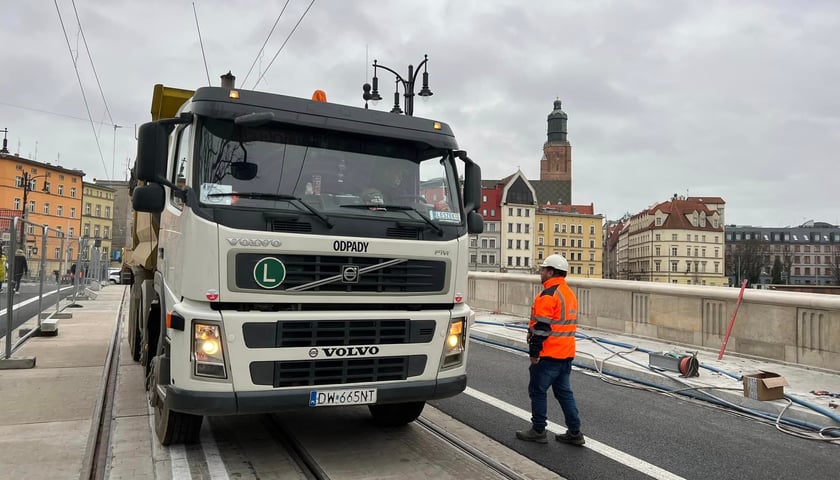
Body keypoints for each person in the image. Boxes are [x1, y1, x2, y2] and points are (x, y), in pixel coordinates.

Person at [515, 254, 585, 446]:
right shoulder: (568, 293)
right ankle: (575, 432)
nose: (541, 272)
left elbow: (541, 328)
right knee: (564, 393)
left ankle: (538, 430)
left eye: (544, 269)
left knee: (537, 391)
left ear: (551, 272)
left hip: (549, 353)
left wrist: (534, 353)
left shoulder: (549, 294)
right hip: (566, 353)